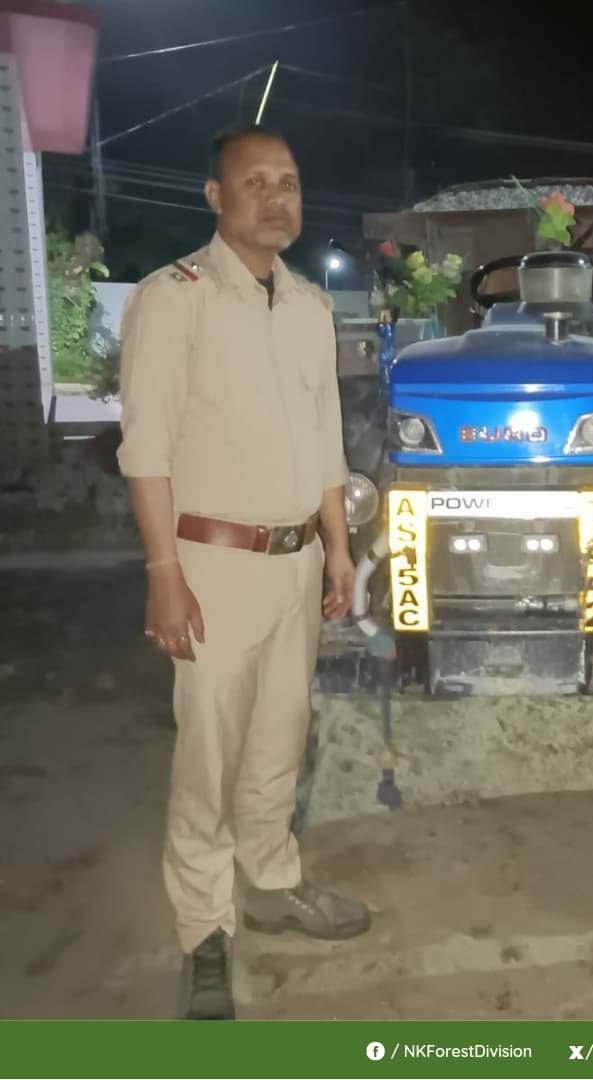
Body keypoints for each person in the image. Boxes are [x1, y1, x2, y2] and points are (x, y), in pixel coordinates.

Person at [117, 125, 370, 1021]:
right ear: (215, 198)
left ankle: (270, 880)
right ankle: (203, 931)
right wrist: (163, 573)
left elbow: (327, 445)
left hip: (298, 562)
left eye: (289, 182)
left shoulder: (308, 306)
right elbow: (144, 451)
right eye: (254, 182)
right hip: (211, 565)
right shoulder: (173, 299)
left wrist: (338, 551)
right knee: (209, 755)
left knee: (276, 742)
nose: (276, 197)